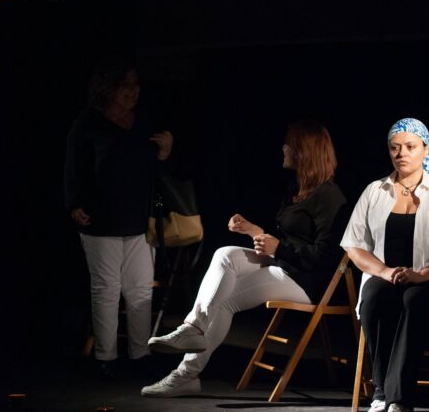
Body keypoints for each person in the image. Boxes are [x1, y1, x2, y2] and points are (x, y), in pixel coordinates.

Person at [140, 119, 347, 398]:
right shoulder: (297, 188)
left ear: (304, 150)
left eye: (289, 144)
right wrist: (254, 231)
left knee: (225, 301)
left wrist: (278, 249)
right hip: (284, 264)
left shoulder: (330, 196)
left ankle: (186, 371)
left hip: (305, 280)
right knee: (225, 254)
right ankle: (193, 329)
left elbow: (323, 258)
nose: (284, 148)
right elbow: (290, 240)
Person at [341, 118, 429, 412]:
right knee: (373, 296)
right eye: (394, 147)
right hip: (389, 278)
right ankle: (380, 391)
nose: (401, 153)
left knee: (414, 298)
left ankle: (400, 398)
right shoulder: (375, 191)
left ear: (425, 149)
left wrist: (423, 275)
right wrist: (385, 271)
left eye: (410, 147)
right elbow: (354, 245)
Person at [63, 57, 174, 378]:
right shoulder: (88, 123)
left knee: (140, 289)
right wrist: (74, 203)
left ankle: (140, 354)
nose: (133, 91)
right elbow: (73, 168)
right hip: (100, 220)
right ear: (107, 88)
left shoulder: (143, 122)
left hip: (139, 219)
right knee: (107, 289)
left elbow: (159, 174)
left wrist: (165, 154)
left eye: (135, 84)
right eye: (125, 85)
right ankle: (106, 357)